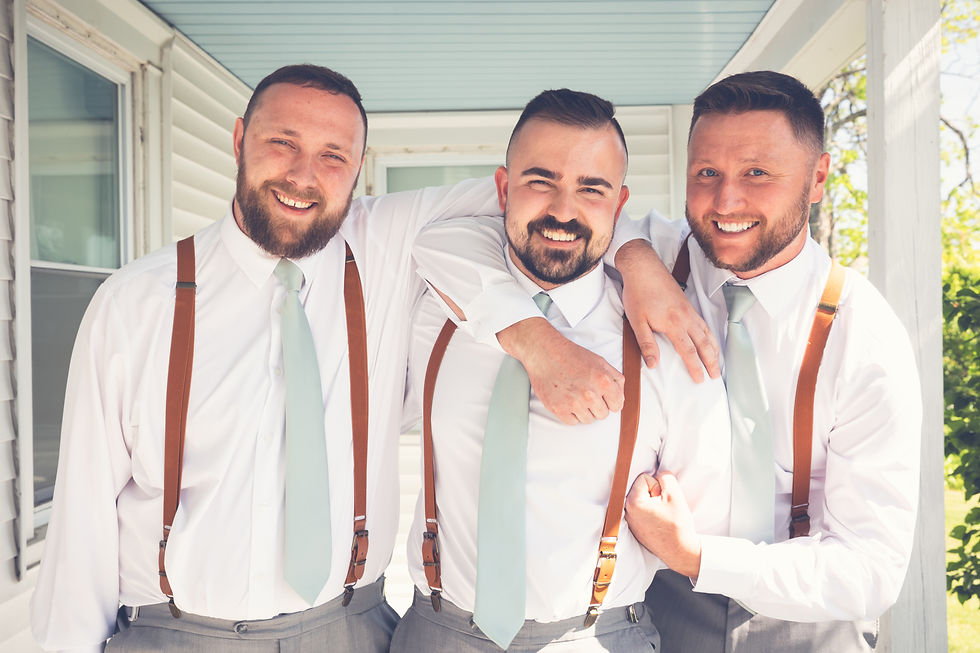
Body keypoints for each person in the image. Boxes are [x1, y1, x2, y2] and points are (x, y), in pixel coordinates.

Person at [415, 71, 922, 652]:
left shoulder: (865, 335)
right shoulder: (659, 253)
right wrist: (633, 260)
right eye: (707, 173)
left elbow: (873, 568)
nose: (726, 201)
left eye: (758, 173)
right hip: (666, 604)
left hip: (808, 618)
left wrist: (699, 554)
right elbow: (480, 233)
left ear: (817, 180)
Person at [29, 63, 505, 653]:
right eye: (282, 142)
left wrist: (640, 259)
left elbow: (552, 196)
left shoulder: (386, 246)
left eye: (334, 156)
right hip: (175, 634)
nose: (304, 176)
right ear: (238, 140)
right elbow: (82, 523)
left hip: (351, 629)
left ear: (358, 168)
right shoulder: (134, 303)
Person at [392, 89, 731, 652]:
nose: (563, 210)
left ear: (619, 206)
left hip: (595, 637)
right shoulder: (435, 305)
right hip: (437, 631)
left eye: (591, 189)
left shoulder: (663, 340)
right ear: (502, 189)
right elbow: (435, 239)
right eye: (540, 181)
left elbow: (708, 510)